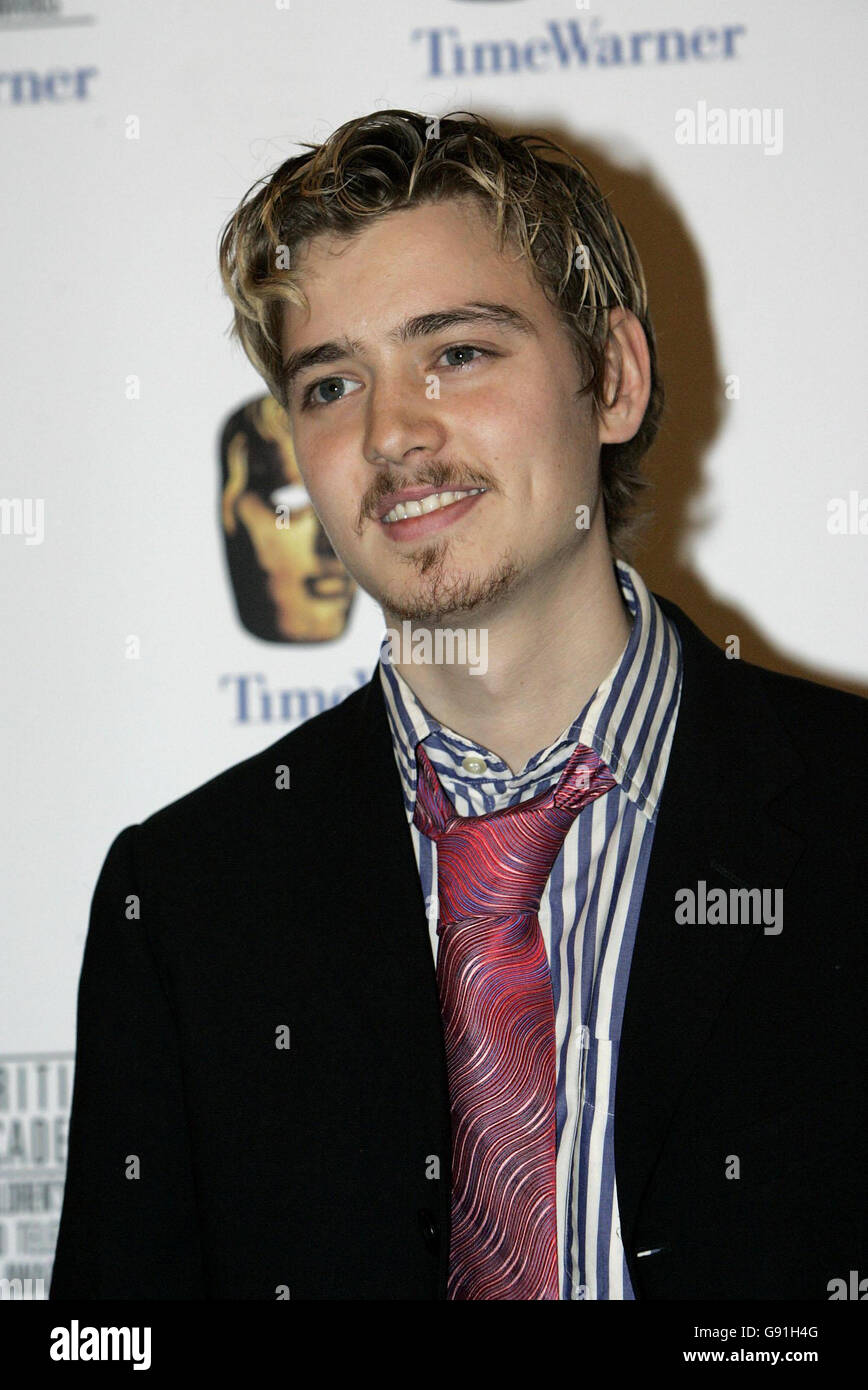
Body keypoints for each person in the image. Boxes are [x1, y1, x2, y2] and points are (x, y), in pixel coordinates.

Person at [50, 109, 867, 1301]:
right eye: (332, 383)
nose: (392, 434)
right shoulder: (183, 903)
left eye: (459, 353)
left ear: (616, 380)